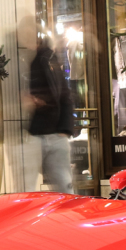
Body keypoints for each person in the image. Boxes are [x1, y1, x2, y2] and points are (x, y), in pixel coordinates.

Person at [28, 33, 76, 193]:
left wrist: (64, 130)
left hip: (51, 134)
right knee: (27, 189)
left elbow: (64, 95)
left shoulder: (48, 60)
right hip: (33, 135)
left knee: (64, 188)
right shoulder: (38, 61)